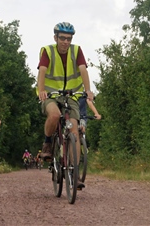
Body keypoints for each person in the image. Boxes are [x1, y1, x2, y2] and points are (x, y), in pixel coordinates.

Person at [37, 22, 94, 190]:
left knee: (74, 129)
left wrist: (88, 90)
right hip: (51, 94)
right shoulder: (48, 51)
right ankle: (47, 143)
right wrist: (41, 91)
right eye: (62, 38)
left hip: (72, 95)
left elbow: (83, 69)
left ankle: (74, 175)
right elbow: (42, 71)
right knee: (54, 115)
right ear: (55, 38)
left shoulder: (76, 51)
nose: (66, 42)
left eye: (69, 39)